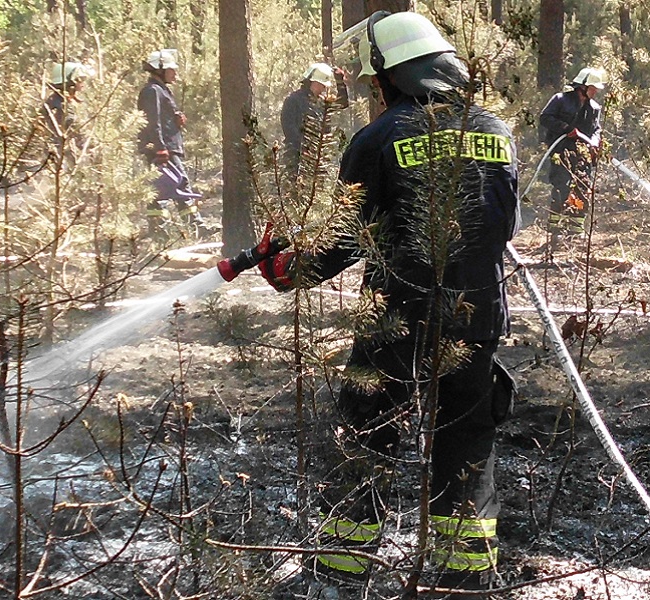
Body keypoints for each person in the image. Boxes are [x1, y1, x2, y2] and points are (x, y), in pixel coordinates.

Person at [258, 11, 519, 598]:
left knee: (367, 433)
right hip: (476, 317)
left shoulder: (377, 139)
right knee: (466, 439)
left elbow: (347, 237)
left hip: (395, 318)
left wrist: (289, 268)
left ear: (389, 76)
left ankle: (342, 572)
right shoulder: (496, 132)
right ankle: (466, 575)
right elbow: (504, 226)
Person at [137, 49, 206, 236]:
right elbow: (153, 121)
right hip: (162, 149)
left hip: (166, 147)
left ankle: (170, 230)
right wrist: (160, 149)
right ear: (160, 70)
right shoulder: (152, 91)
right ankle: (192, 226)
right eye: (171, 69)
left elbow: (163, 118)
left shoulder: (160, 90)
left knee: (165, 187)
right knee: (173, 184)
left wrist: (176, 118)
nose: (174, 73)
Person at [538, 67, 605, 244]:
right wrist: (566, 129)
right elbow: (545, 118)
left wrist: (595, 141)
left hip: (583, 154)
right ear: (581, 86)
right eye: (592, 87)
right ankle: (555, 231)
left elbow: (596, 129)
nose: (595, 91)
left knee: (582, 190)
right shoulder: (560, 100)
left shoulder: (594, 108)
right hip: (561, 151)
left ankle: (575, 232)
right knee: (561, 187)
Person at [280, 62, 349, 178]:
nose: (324, 88)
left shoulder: (322, 103)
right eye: (323, 85)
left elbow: (343, 103)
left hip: (317, 159)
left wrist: (340, 82)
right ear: (314, 82)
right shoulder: (293, 100)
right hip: (296, 159)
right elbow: (289, 128)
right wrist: (304, 149)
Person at [43, 61, 94, 162]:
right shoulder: (63, 107)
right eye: (80, 79)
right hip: (58, 161)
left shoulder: (52, 101)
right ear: (70, 83)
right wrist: (92, 149)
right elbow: (78, 136)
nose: (83, 83)